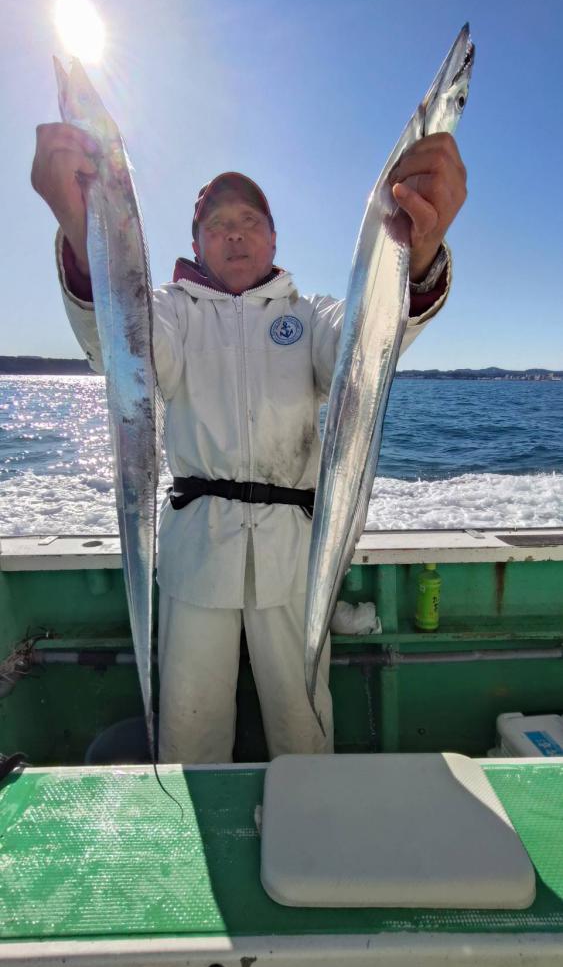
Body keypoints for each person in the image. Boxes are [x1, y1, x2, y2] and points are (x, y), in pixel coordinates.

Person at [31, 124, 467, 763]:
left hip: (293, 556)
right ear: (196, 244)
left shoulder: (311, 316)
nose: (234, 234)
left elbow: (368, 345)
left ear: (273, 238)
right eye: (217, 225)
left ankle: (311, 817)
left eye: (249, 221)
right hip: (196, 551)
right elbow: (120, 343)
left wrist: (417, 259)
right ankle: (201, 815)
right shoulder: (170, 312)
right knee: (190, 727)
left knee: (303, 719)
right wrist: (82, 234)